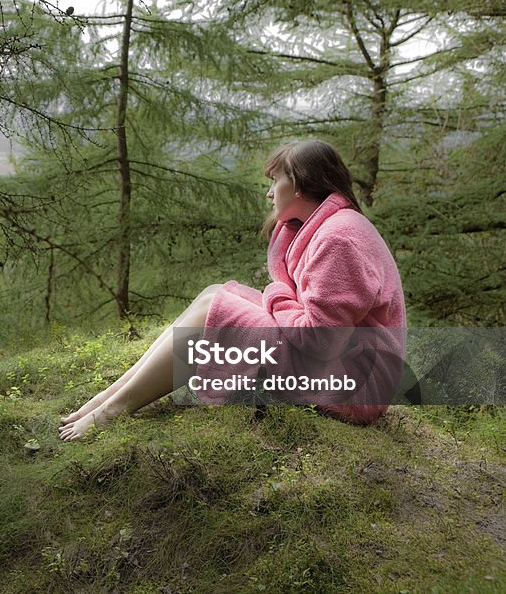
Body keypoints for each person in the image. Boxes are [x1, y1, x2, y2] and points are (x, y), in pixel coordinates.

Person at [58, 140, 406, 441]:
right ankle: (112, 395)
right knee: (215, 294)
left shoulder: (340, 238)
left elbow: (321, 340)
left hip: (354, 384)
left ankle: (115, 408)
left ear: (299, 185)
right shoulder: (330, 227)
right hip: (340, 364)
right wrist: (280, 298)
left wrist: (275, 295)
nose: (270, 192)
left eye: (275, 181)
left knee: (217, 309)